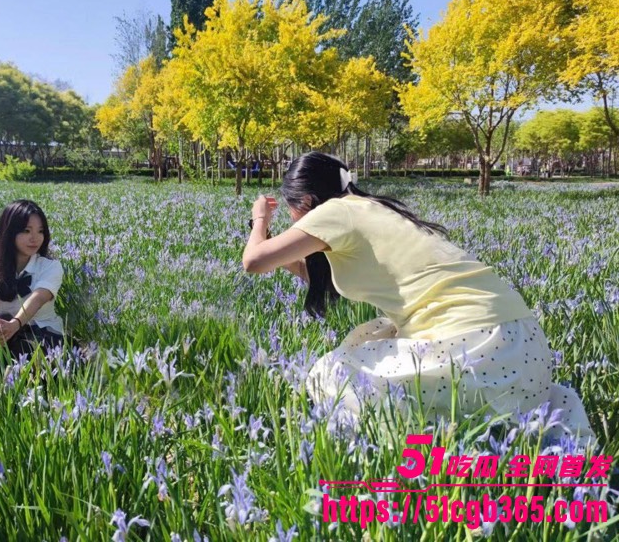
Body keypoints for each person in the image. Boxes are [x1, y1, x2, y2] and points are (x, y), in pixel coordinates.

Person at [242, 151, 596, 442]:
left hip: (479, 349)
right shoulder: (371, 211)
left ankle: (388, 455)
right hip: (527, 353)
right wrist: (272, 237)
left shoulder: (333, 213)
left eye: (291, 210)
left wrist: (259, 220)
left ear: (305, 200)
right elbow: (313, 273)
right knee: (380, 333)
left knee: (330, 373)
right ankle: (547, 448)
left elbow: (254, 261)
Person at [0, 199, 65, 376]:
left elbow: (38, 298)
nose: (35, 238)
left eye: (40, 231)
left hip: (44, 334)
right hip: (2, 334)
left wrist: (15, 324)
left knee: (22, 347)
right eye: (26, 231)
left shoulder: (50, 267)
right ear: (9, 232)